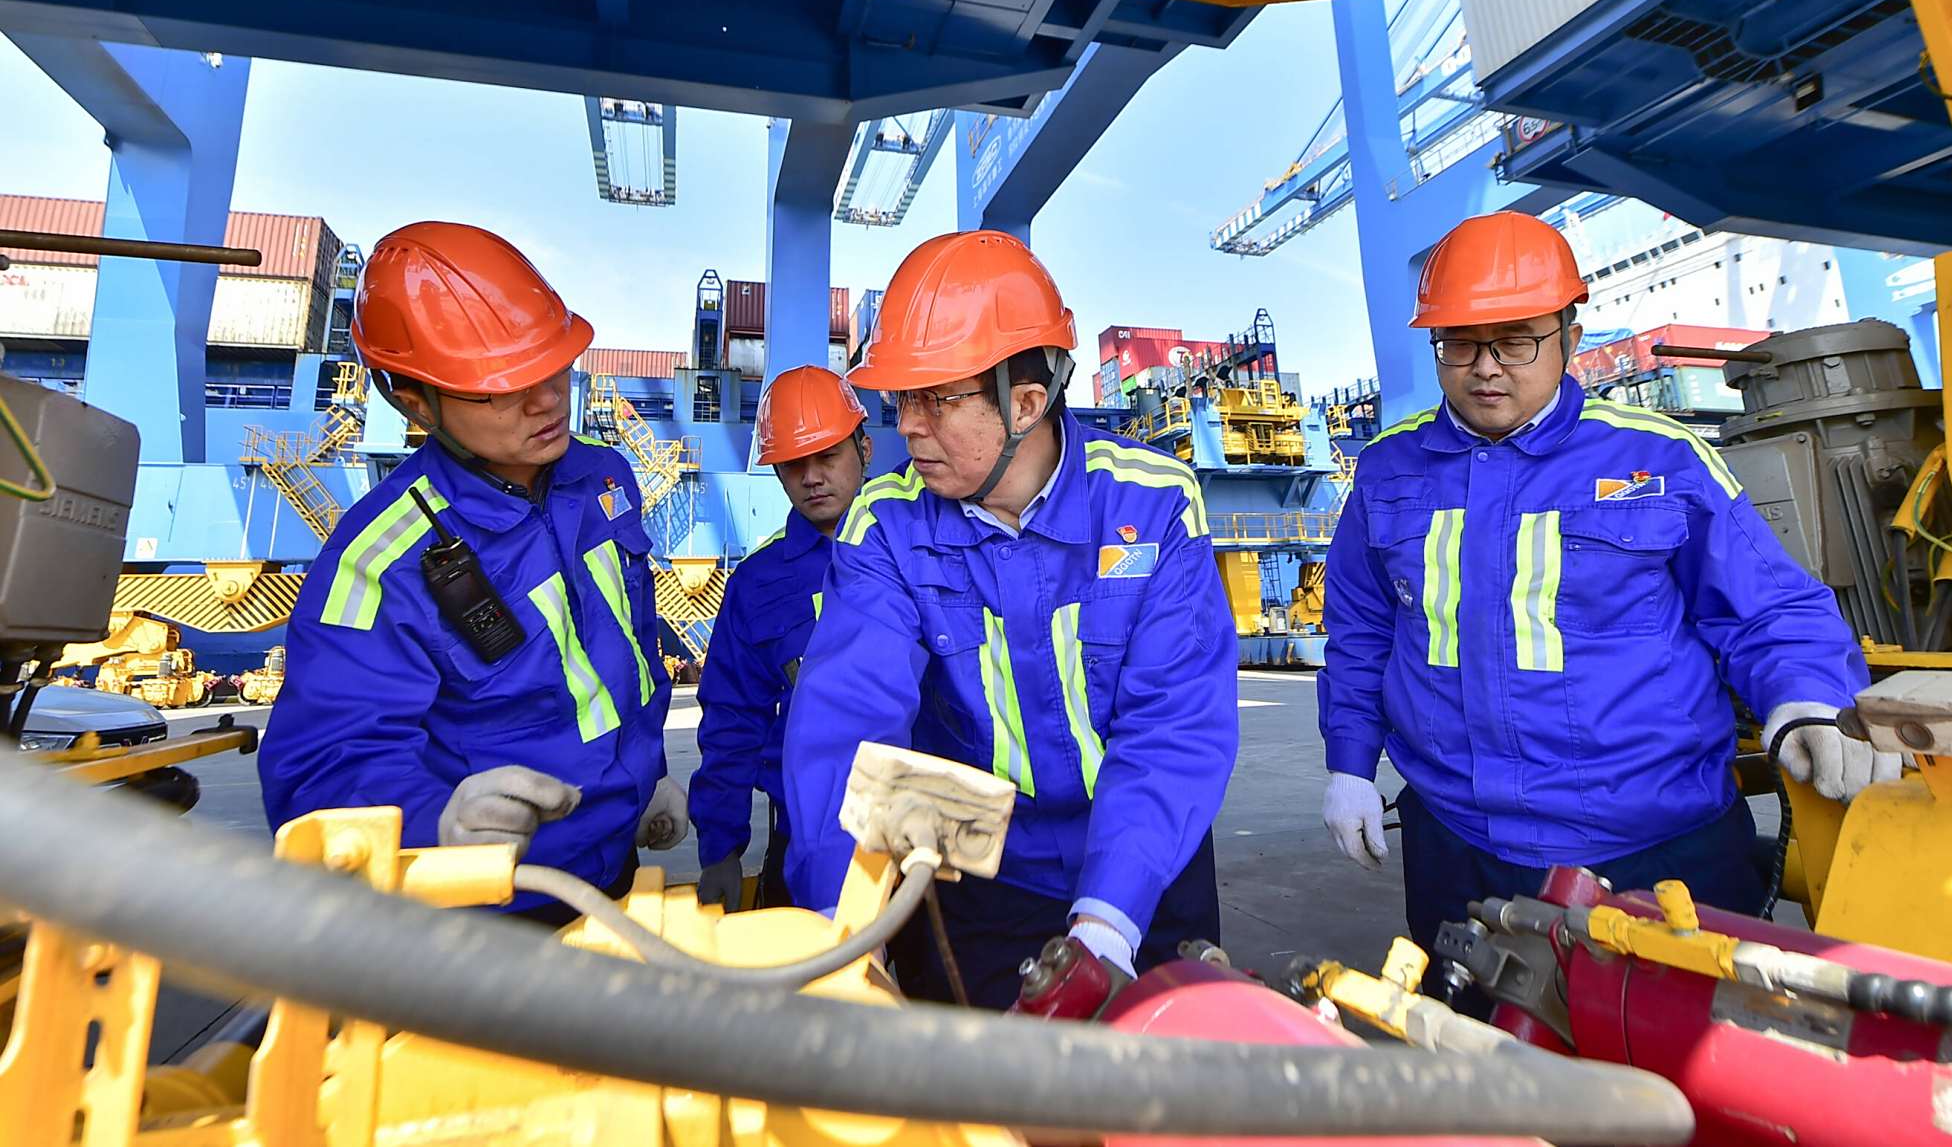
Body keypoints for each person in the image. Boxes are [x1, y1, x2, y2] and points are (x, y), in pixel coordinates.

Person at [1318, 211, 1897, 979]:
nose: (1486, 367)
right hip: (1458, 847)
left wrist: (1810, 697)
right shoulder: (1388, 474)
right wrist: (1350, 764)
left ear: (1570, 333)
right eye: (1459, 342)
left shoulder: (1660, 459)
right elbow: (1361, 635)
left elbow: (1769, 607)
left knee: (1674, 1076)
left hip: (1657, 849)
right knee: (1485, 1070)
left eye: (1517, 338)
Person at [781, 230, 1239, 1009]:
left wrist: (1105, 926)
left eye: (934, 399)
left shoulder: (1153, 503)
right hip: (983, 883)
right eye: (900, 400)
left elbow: (1173, 726)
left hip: (1146, 872)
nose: (907, 427)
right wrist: (840, 929)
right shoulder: (886, 525)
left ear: (1026, 403)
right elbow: (847, 725)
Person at [260, 221, 686, 924]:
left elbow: (632, 649)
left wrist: (649, 775)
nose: (548, 398)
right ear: (413, 401)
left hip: (612, 867)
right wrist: (434, 825)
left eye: (554, 364)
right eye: (498, 387)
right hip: (484, 909)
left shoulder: (604, 479)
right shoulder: (378, 560)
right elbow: (319, 768)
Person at [689, 365, 871, 911]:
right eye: (794, 464)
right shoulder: (758, 583)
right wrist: (720, 848)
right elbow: (732, 717)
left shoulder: (921, 548)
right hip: (805, 840)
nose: (812, 477)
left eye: (828, 457)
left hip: (926, 837)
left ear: (865, 448)